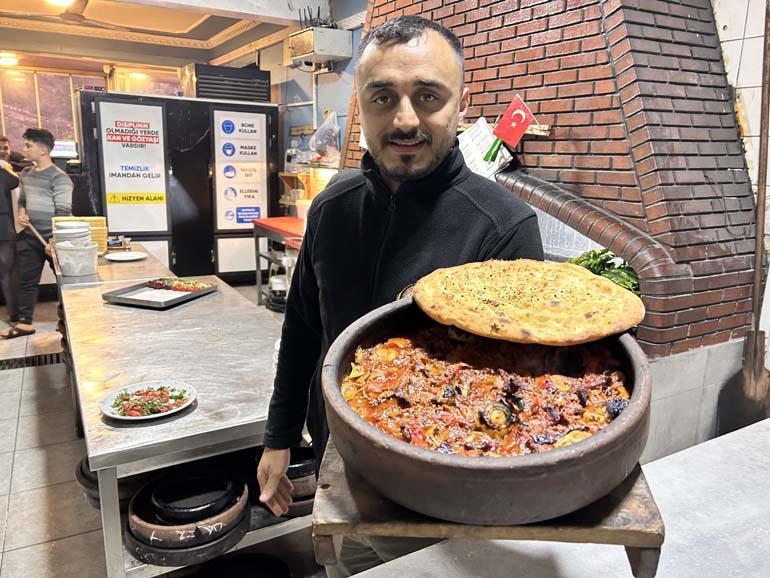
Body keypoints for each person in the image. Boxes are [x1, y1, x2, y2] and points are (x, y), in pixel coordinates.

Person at [257, 16, 544, 575]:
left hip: (440, 492)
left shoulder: (503, 228)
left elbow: (519, 386)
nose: (405, 119)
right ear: (361, 106)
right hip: (339, 463)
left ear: (461, 104)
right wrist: (280, 436)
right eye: (383, 97)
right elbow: (303, 329)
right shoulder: (332, 207)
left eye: (428, 96)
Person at [1, 128, 72, 339]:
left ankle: (67, 321)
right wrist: (22, 212)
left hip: (54, 237)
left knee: (64, 281)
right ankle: (24, 323)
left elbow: (63, 211)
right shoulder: (25, 174)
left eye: (28, 145)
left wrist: (54, 240)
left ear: (42, 150)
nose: (23, 149)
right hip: (31, 236)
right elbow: (23, 200)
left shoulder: (60, 178)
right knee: (27, 280)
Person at [0, 159, 19, 330]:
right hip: (3, 228)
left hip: (3, 229)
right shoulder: (2, 172)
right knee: (7, 273)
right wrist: (5, 167)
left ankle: (14, 314)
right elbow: (15, 181)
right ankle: (15, 315)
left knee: (7, 273)